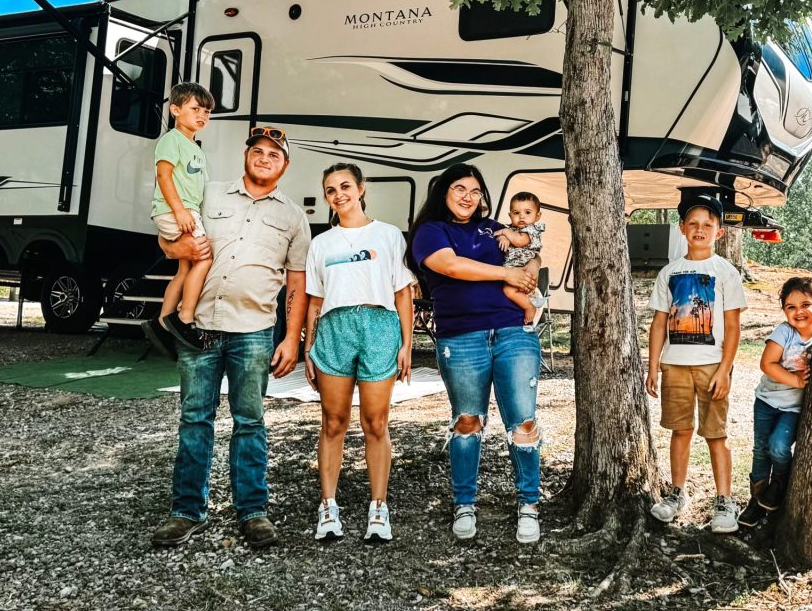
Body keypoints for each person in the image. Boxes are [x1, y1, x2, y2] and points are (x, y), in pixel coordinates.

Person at [150, 126, 311, 550]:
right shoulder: (211, 194)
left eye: (273, 154)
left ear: (285, 165)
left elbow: (297, 282)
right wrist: (175, 248)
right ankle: (186, 511)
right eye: (257, 151)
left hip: (254, 332)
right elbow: (171, 241)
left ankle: (253, 511)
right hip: (198, 325)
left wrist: (292, 338)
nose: (264, 158)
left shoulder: (293, 216)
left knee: (250, 422)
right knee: (195, 419)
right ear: (246, 156)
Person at [407, 164, 542, 543]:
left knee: (524, 424)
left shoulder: (493, 226)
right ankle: (465, 502)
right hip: (461, 337)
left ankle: (529, 505)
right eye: (459, 188)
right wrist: (505, 275)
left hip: (514, 330)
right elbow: (449, 266)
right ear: (443, 192)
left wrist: (529, 266)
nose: (468, 196)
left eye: (475, 190)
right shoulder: (431, 231)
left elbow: (529, 251)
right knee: (467, 421)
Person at [303, 163, 415, 543]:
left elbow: (402, 293)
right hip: (334, 330)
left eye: (345, 186)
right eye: (330, 189)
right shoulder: (321, 244)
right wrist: (308, 347)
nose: (339, 194)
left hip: (379, 327)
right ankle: (328, 507)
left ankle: (378, 508)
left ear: (362, 188)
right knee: (333, 422)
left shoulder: (387, 235)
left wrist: (406, 345)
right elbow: (315, 301)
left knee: (376, 423)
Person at [644, 194, 747, 534]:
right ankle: (676, 493)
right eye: (694, 224)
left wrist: (724, 370)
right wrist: (653, 366)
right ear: (682, 229)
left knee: (716, 434)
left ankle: (724, 500)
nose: (700, 230)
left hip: (711, 365)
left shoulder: (726, 273)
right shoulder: (669, 272)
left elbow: (733, 327)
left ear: (719, 232)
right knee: (680, 430)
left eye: (708, 225)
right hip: (675, 364)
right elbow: (659, 323)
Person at [738, 276, 812, 527]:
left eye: (806, 304)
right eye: (791, 307)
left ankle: (780, 484)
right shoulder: (784, 332)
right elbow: (767, 363)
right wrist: (795, 381)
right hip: (766, 401)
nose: (799, 312)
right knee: (760, 450)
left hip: (793, 408)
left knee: (778, 446)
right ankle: (756, 500)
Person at [143, 83, 215, 353]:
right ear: (175, 110)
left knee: (185, 269)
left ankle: (161, 323)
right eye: (195, 109)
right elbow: (163, 176)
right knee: (205, 258)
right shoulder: (171, 140)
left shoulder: (195, 146)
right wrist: (180, 211)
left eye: (206, 112)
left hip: (186, 210)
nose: (202, 116)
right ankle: (184, 318)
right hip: (177, 210)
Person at [493, 191, 547, 327]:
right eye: (516, 213)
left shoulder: (532, 230)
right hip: (513, 269)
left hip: (523, 268)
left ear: (538, 216)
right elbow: (502, 236)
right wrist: (503, 237)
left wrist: (505, 233)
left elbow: (518, 241)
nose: (522, 216)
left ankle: (529, 306)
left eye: (527, 212)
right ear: (510, 215)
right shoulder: (512, 229)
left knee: (508, 290)